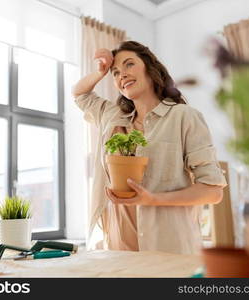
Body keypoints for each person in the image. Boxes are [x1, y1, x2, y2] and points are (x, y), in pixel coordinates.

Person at [72, 41, 227, 254]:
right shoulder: (112, 117)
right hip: (120, 248)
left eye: (129, 65)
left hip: (170, 246)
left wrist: (154, 199)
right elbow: (80, 94)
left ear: (150, 68)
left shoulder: (183, 116)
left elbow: (213, 191)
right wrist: (102, 70)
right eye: (115, 72)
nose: (122, 75)